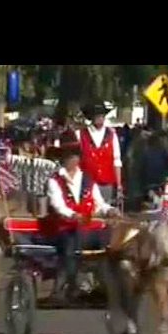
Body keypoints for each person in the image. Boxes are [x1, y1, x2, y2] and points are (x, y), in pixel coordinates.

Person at [43, 146, 120, 302]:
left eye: (75, 156)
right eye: (69, 156)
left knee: (109, 241)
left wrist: (110, 210)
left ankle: (104, 284)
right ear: (63, 159)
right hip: (65, 228)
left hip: (87, 228)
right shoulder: (54, 180)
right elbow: (57, 205)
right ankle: (70, 285)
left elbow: (99, 204)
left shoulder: (88, 180)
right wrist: (72, 215)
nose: (72, 160)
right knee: (72, 242)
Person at [78, 104, 123, 205]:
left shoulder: (112, 134)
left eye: (102, 115)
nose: (100, 118)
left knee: (106, 211)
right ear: (91, 117)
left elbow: (117, 161)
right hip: (86, 183)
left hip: (106, 183)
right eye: (97, 115)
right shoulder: (81, 134)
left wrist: (119, 185)